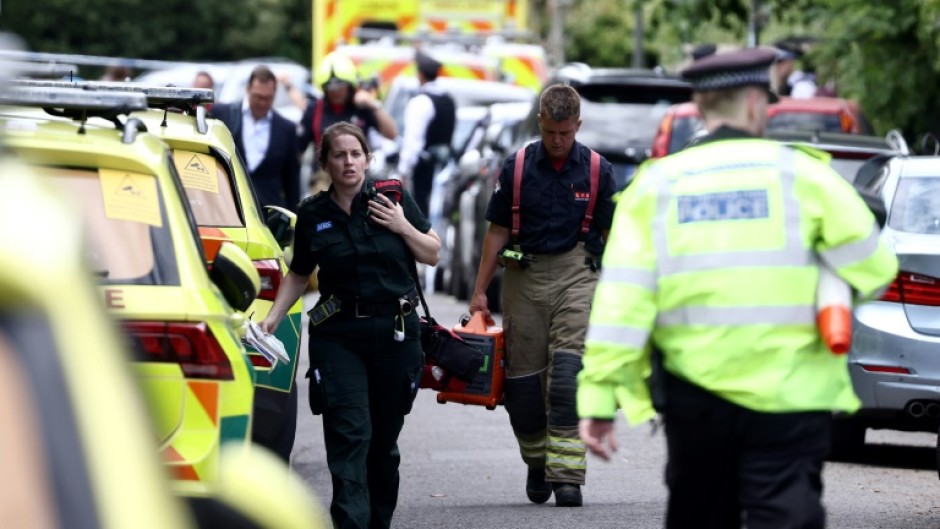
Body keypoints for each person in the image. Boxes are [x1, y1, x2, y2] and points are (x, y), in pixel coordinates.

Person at [577, 48, 898, 529]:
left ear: (702, 108)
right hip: (791, 396)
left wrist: (600, 400)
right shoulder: (805, 176)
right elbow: (874, 269)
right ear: (754, 103)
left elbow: (622, 305)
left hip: (695, 401)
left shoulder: (655, 187)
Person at [260, 121, 440, 529]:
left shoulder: (393, 198)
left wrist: (401, 225)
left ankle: (378, 521)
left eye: (355, 154)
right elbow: (298, 273)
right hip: (339, 336)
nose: (348, 162)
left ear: (367, 159)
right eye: (339, 155)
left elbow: (433, 252)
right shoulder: (312, 213)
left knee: (382, 444)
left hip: (395, 336)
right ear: (325, 161)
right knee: (349, 435)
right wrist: (272, 318)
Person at [469, 84, 616, 508]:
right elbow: (496, 232)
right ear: (540, 123)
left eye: (566, 134)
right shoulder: (515, 168)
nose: (557, 141)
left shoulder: (597, 170)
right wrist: (480, 291)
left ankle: (568, 477)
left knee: (569, 376)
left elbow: (610, 235)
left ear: (578, 126)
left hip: (577, 275)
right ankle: (537, 462)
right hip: (524, 277)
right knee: (524, 391)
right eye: (551, 132)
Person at [298, 51, 396, 193]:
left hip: (358, 177)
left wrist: (372, 104)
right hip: (324, 179)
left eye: (340, 85)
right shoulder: (314, 110)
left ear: (350, 85)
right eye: (331, 86)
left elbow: (391, 133)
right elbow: (297, 150)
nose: (336, 90)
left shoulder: (362, 108)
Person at [210, 65, 301, 212]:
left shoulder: (287, 129)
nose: (262, 103)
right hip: (226, 210)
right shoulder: (222, 115)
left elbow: (292, 182)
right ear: (248, 89)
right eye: (258, 97)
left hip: (269, 215)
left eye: (268, 98)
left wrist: (294, 221)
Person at [393, 49, 456, 216]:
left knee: (418, 216)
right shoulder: (448, 100)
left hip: (423, 171)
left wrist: (403, 172)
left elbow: (413, 143)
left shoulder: (420, 102)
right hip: (443, 169)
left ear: (420, 74)